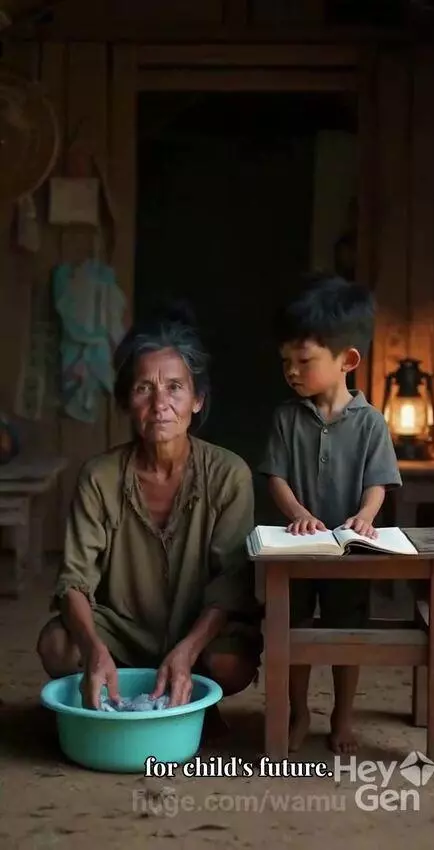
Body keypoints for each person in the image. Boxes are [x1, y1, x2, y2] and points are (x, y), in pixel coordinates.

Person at [37, 301, 263, 732]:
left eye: (175, 387)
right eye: (144, 388)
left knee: (231, 662)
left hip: (197, 626)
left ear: (197, 400)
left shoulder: (228, 474)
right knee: (58, 646)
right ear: (127, 401)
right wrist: (95, 648)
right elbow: (73, 580)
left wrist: (188, 649)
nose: (160, 403)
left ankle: (191, 687)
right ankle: (115, 684)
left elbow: (231, 584)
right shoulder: (100, 477)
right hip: (120, 629)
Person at [258, 274, 402, 755]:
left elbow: (378, 483)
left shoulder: (372, 421)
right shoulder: (285, 418)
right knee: (293, 630)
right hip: (299, 550)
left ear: (348, 361)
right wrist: (298, 512)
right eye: (285, 362)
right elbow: (275, 477)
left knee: (348, 633)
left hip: (349, 551)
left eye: (304, 361)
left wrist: (365, 517)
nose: (292, 372)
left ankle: (342, 715)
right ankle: (299, 711)